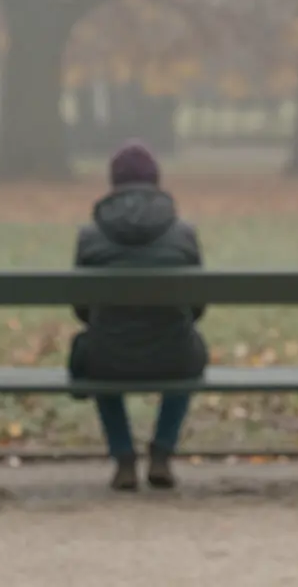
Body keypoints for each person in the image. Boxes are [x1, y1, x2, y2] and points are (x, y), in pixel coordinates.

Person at [68, 140, 208, 491]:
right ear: (156, 181)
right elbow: (197, 307)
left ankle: (124, 458)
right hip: (174, 355)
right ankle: (161, 452)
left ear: (113, 183)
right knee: (189, 349)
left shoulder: (90, 236)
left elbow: (81, 310)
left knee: (96, 349)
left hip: (109, 358)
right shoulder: (184, 234)